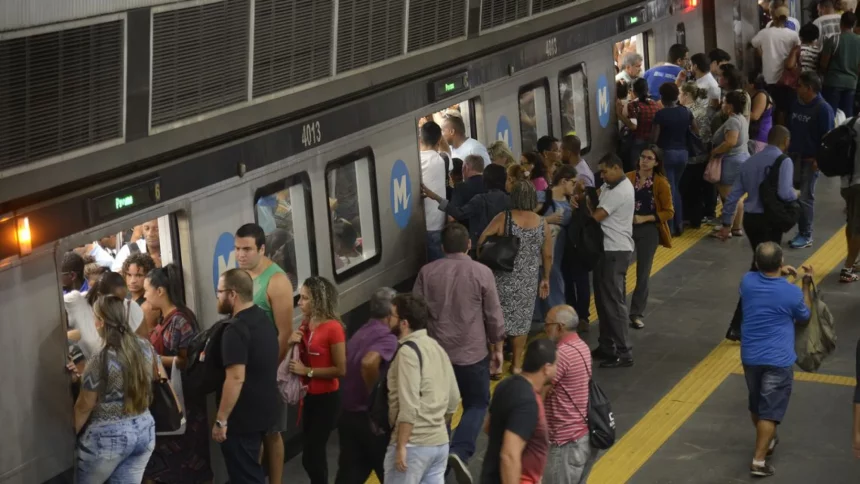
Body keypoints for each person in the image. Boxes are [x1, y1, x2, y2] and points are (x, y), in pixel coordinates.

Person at [414, 222, 504, 477]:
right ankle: (460, 450)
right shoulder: (482, 272)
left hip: (437, 357)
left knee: (440, 408)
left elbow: (416, 313)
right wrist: (497, 348)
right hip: (472, 354)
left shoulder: (426, 273)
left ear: (442, 247)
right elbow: (493, 315)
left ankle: (439, 460)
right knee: (476, 403)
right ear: (469, 244)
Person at [738, 242, 812, 477]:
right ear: (781, 262)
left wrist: (778, 272)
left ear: (757, 263)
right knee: (770, 411)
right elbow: (805, 316)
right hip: (778, 360)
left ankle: (767, 440)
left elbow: (765, 280)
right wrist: (806, 286)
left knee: (757, 403)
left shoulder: (747, 282)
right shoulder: (791, 293)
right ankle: (758, 462)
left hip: (750, 356)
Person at [718, 126, 797, 340]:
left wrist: (726, 223)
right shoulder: (784, 161)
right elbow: (784, 192)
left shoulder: (750, 162)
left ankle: (746, 323)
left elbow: (734, 195)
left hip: (751, 220)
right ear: (786, 141)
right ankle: (738, 325)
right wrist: (796, 199)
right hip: (771, 221)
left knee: (761, 267)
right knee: (764, 270)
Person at [73, 295, 157, 484]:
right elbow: (154, 376)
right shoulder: (144, 346)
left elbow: (84, 405)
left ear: (100, 322)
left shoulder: (100, 359)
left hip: (108, 437)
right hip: (144, 427)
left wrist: (70, 436)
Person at [234, 222, 294, 482]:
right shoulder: (242, 276)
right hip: (247, 367)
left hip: (267, 369)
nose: (241, 255)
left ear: (261, 248)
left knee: (272, 431)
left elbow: (284, 333)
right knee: (253, 431)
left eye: (247, 249)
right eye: (237, 249)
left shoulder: (277, 281)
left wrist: (272, 370)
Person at [143, 264, 212, 484]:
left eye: (147, 290)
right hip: (172, 400)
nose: (145, 296)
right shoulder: (165, 319)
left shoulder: (180, 321)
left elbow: (184, 361)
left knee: (186, 460)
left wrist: (154, 359)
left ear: (160, 291)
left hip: (184, 402)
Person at [384, 293, 461, 484]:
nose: (388, 320)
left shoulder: (407, 353)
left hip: (413, 445)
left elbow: (408, 405)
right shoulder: (436, 347)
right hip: (439, 445)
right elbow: (454, 398)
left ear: (404, 323)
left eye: (392, 316)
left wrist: (402, 445)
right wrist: (436, 426)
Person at [213, 269, 279, 484]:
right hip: (263, 413)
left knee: (247, 477)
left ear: (233, 295)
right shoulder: (263, 318)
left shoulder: (235, 330)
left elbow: (235, 378)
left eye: (220, 291)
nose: (217, 296)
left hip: (242, 420)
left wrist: (221, 420)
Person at [478, 181, 552, 374]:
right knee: (521, 322)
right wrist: (545, 278)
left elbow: (481, 241)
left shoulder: (504, 218)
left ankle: (497, 363)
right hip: (527, 280)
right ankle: (517, 364)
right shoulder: (542, 222)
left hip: (502, 278)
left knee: (498, 319)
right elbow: (547, 255)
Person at [336, 288, 399, 484]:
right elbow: (369, 363)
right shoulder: (387, 338)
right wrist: (375, 399)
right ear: (391, 313)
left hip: (347, 415)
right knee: (391, 473)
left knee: (350, 472)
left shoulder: (360, 332)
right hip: (369, 419)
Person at [287, 276, 346, 484]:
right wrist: (291, 343)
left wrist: (308, 371)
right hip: (309, 396)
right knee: (312, 455)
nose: (299, 303)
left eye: (304, 298)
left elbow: (340, 369)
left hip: (327, 398)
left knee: (313, 454)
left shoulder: (333, 328)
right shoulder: (307, 324)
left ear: (318, 300)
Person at [480, 338, 556, 484]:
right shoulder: (527, 402)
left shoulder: (505, 385)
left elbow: (488, 427)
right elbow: (509, 455)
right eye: (555, 364)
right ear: (546, 368)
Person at [590, 154, 636, 368]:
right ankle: (607, 345)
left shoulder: (620, 190)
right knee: (603, 299)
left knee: (613, 302)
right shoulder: (611, 185)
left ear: (616, 168)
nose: (602, 176)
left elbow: (596, 216)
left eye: (605, 171)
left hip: (614, 251)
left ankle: (623, 351)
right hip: (607, 250)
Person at [542, 306, 597, 484]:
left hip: (565, 443)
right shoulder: (582, 346)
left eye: (547, 324)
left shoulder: (561, 355)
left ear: (559, 327)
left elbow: (539, 391)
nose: (545, 329)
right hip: (582, 437)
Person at [626, 146, 674, 330]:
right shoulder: (628, 177)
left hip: (648, 230)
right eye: (642, 157)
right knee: (620, 269)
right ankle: (620, 309)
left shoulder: (660, 183)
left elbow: (669, 211)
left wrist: (645, 218)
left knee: (643, 272)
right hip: (626, 229)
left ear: (656, 162)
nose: (644, 161)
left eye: (649, 158)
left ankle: (636, 313)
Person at [787, 71, 835, 249]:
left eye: (799, 85)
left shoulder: (823, 109)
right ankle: (798, 229)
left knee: (806, 197)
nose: (796, 88)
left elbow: (828, 139)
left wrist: (819, 160)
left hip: (810, 160)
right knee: (793, 195)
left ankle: (806, 234)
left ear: (809, 88)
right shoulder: (797, 104)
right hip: (794, 157)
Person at [424, 162, 511, 255]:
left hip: (480, 248)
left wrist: (436, 197)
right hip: (504, 248)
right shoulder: (510, 200)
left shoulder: (480, 199)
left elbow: (459, 213)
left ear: (486, 180)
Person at [652, 82, 694, 235]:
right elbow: (695, 129)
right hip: (683, 153)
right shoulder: (686, 111)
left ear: (662, 98)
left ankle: (670, 226)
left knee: (670, 189)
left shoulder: (661, 115)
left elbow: (654, 138)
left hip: (667, 154)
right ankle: (679, 223)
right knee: (675, 187)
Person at [710, 91, 751, 238]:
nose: (722, 104)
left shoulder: (732, 121)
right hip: (742, 158)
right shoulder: (742, 118)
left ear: (731, 106)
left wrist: (715, 152)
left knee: (728, 195)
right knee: (736, 195)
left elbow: (730, 142)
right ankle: (736, 227)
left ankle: (726, 228)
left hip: (732, 161)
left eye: (725, 102)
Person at [680, 82, 716, 228]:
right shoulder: (703, 110)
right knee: (699, 189)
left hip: (690, 157)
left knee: (687, 189)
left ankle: (688, 217)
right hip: (703, 155)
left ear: (686, 95)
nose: (678, 96)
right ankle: (699, 216)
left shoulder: (685, 112)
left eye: (680, 93)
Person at [821, 11, 860, 117]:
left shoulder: (833, 39)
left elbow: (823, 64)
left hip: (833, 82)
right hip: (851, 83)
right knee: (847, 115)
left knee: (831, 114)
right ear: (854, 24)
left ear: (840, 23)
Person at [419, 121, 448, 261]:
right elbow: (447, 151)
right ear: (439, 140)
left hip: (417, 225)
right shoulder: (442, 159)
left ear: (420, 139)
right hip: (437, 224)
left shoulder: (415, 161)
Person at [618, 78, 661, 169]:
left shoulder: (633, 105)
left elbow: (633, 126)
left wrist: (619, 115)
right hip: (652, 141)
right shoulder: (655, 104)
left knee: (637, 168)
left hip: (638, 141)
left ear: (633, 91)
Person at [839, 119, 860, 282]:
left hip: (845, 183)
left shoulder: (848, 122)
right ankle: (847, 268)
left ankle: (850, 261)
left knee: (851, 223)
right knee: (858, 228)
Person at [747, 74, 775, 154]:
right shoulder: (754, 94)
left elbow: (755, 116)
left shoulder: (761, 95)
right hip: (754, 135)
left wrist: (738, 111)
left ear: (752, 85)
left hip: (760, 136)